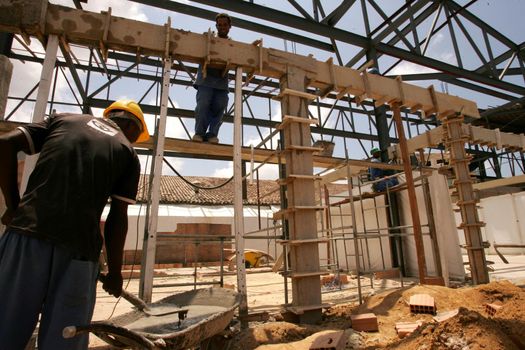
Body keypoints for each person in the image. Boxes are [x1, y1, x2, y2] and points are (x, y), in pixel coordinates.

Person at [0, 99, 149, 349]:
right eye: (137, 137)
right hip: (78, 252)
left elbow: (5, 144)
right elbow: (117, 217)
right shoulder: (127, 152)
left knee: (5, 324)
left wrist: (14, 207)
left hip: (26, 237)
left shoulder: (64, 119)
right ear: (133, 129)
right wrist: (114, 272)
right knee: (66, 335)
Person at [192, 13, 232, 144]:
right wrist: (204, 39)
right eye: (219, 25)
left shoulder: (232, 45)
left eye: (225, 25)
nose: (222, 27)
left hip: (221, 82)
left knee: (220, 105)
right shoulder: (208, 39)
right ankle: (199, 133)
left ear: (229, 26)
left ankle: (212, 134)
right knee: (203, 104)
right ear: (216, 26)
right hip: (206, 80)